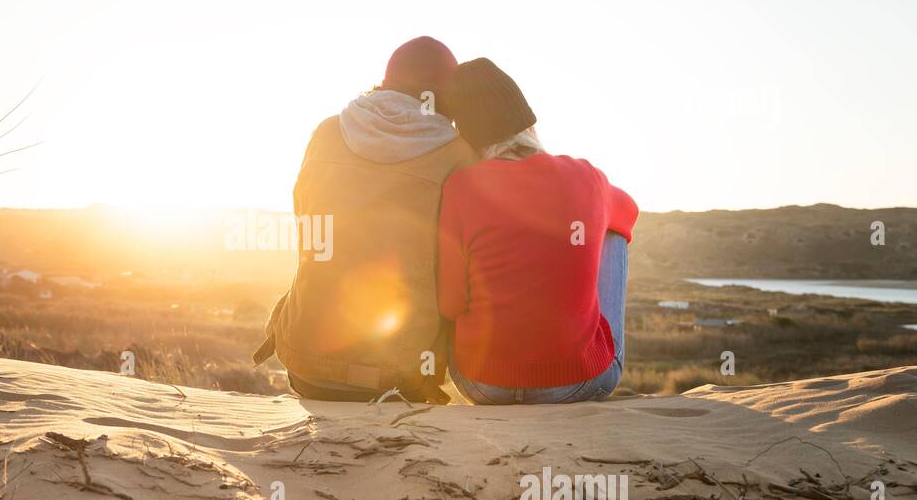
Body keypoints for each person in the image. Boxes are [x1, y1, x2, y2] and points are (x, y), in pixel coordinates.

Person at [254, 37, 476, 402]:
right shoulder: (458, 153)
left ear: (386, 82)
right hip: (399, 377)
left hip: (305, 367)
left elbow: (307, 227)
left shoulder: (327, 132)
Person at [437, 58, 638, 404]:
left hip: (482, 384)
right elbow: (629, 212)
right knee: (613, 231)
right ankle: (588, 347)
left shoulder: (460, 187)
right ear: (528, 123)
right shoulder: (585, 176)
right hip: (580, 382)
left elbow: (450, 304)